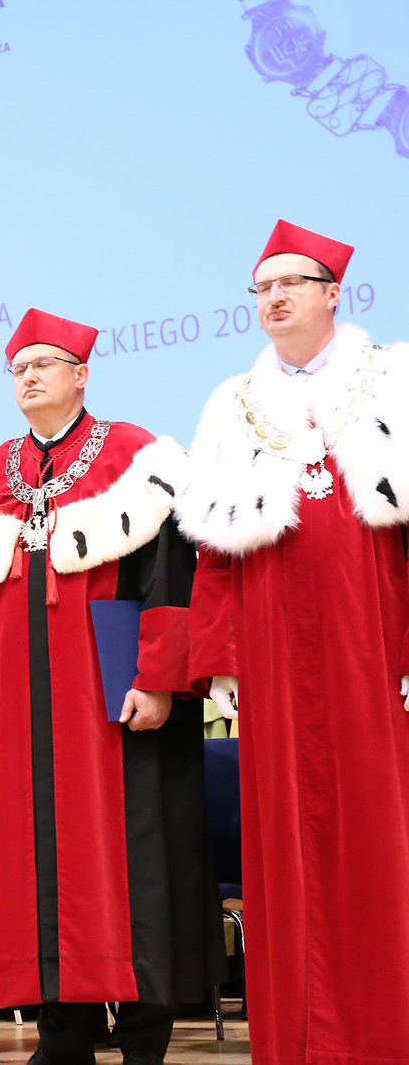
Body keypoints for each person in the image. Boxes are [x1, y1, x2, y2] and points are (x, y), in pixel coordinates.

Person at [0, 309, 223, 1065]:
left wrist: (159, 677)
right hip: (24, 715)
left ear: (81, 375)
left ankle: (144, 1035)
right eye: (18, 368)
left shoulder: (137, 459)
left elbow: (169, 579)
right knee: (37, 868)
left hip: (115, 707)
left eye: (44, 364)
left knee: (137, 859)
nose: (28, 377)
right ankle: (62, 1033)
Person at [176, 220, 409, 1065]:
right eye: (263, 287)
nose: (273, 298)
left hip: (373, 640)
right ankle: (301, 1042)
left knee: (379, 835)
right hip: (272, 653)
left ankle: (385, 1034)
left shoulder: (395, 379)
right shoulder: (231, 403)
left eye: (290, 283)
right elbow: (214, 556)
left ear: (332, 293)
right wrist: (221, 662)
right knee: (285, 845)